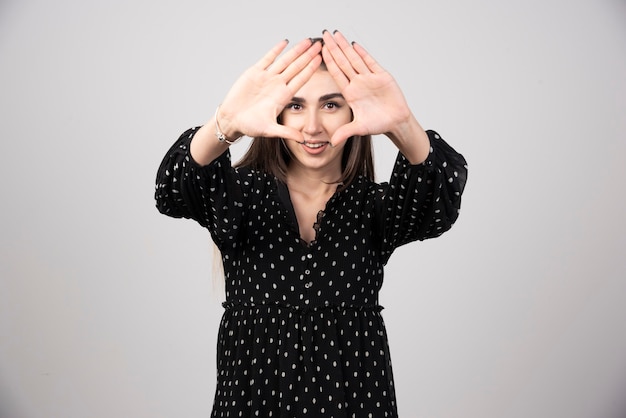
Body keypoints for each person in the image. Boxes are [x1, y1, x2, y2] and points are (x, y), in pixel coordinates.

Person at [155, 29, 467, 417]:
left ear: (353, 110)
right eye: (297, 106)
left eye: (331, 105)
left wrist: (402, 124)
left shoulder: (373, 208)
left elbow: (439, 198)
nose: (313, 126)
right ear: (279, 111)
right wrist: (227, 122)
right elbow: (172, 188)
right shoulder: (241, 197)